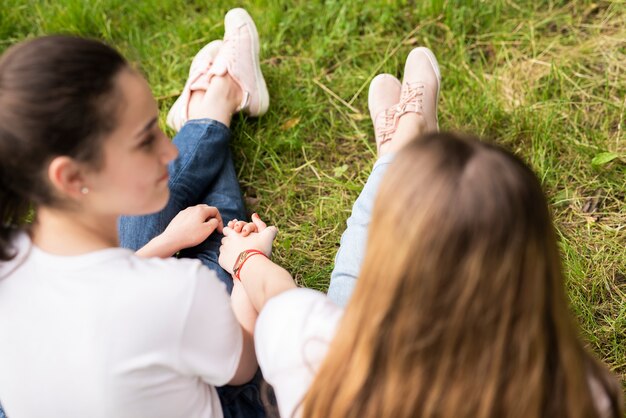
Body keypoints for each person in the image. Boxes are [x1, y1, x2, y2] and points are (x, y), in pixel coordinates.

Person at [217, 48, 624, 417]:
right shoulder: (584, 395)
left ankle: (398, 151)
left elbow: (279, 299)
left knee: (357, 272)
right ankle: (405, 145)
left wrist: (244, 256)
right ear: (534, 265)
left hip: (353, 355)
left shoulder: (321, 359)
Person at [0, 8, 269, 418]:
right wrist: (248, 264)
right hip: (224, 397)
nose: (169, 150)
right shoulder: (176, 292)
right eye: (146, 139)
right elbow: (244, 367)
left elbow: (91, 304)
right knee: (223, 237)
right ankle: (216, 103)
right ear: (70, 176)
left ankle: (214, 105)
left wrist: (167, 243)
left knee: (164, 213)